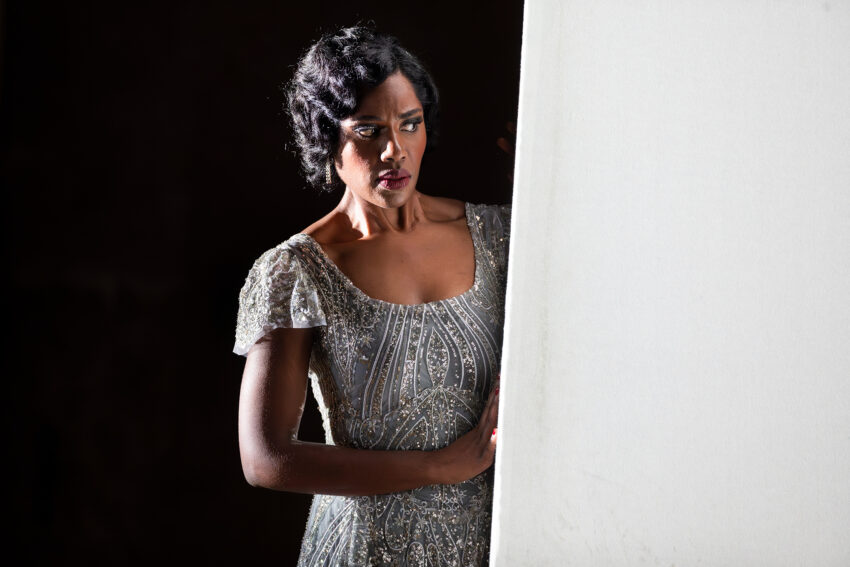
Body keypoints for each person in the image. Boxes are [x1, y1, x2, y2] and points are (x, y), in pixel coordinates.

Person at [233, 25, 511, 566]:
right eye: (368, 131)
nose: (395, 150)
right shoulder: (296, 270)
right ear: (326, 139)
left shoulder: (500, 234)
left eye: (411, 125)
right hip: (364, 549)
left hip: (491, 542)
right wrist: (444, 465)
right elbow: (265, 459)